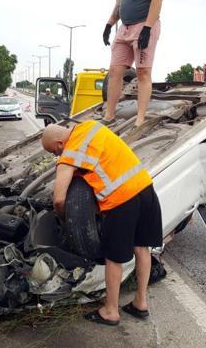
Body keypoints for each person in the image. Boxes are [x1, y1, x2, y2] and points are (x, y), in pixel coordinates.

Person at [41, 121, 163, 325]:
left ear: (60, 143)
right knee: (142, 248)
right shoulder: (91, 126)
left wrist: (63, 218)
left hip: (121, 200)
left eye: (55, 152)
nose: (57, 156)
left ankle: (110, 311)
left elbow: (59, 199)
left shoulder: (69, 153)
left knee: (113, 258)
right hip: (145, 188)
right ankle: (141, 303)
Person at [101, 0, 163, 127]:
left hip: (143, 25)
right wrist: (109, 23)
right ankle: (109, 116)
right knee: (114, 71)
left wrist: (147, 28)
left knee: (143, 73)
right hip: (124, 28)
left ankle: (140, 119)